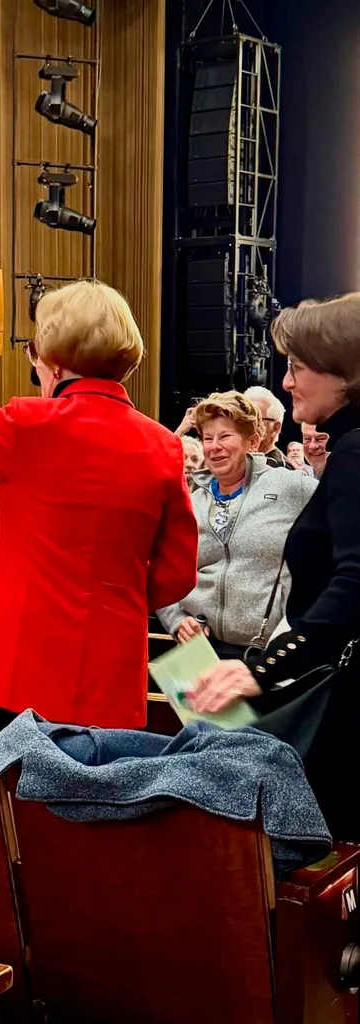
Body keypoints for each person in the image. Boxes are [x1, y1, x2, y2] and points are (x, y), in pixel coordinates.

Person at [0, 278, 198, 729]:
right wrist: (115, 594)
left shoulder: (25, 425)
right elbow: (176, 573)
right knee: (97, 793)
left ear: (52, 357)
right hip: (111, 662)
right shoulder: (164, 446)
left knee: (14, 793)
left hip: (19, 660)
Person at [191, 293, 360, 841]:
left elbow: (355, 582)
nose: (287, 383)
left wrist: (262, 666)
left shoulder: (355, 454)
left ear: (343, 371)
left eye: (296, 367)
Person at [157, 392, 317, 657]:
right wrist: (175, 619)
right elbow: (162, 570)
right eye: (208, 438)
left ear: (252, 441)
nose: (214, 446)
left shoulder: (292, 487)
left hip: (267, 655)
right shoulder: (189, 502)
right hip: (198, 653)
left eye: (225, 436)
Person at [244, 385, 290, 468]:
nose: (246, 426)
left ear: (275, 428)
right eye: (243, 419)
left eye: (255, 421)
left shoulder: (281, 471)